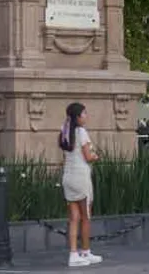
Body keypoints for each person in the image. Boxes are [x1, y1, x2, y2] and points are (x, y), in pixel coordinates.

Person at [59, 102, 101, 268]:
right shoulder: (81, 132)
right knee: (86, 217)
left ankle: (73, 254)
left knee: (74, 218)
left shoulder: (64, 133)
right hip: (81, 178)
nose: (86, 116)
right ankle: (85, 250)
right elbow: (88, 156)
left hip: (68, 177)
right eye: (84, 114)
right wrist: (96, 156)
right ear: (78, 117)